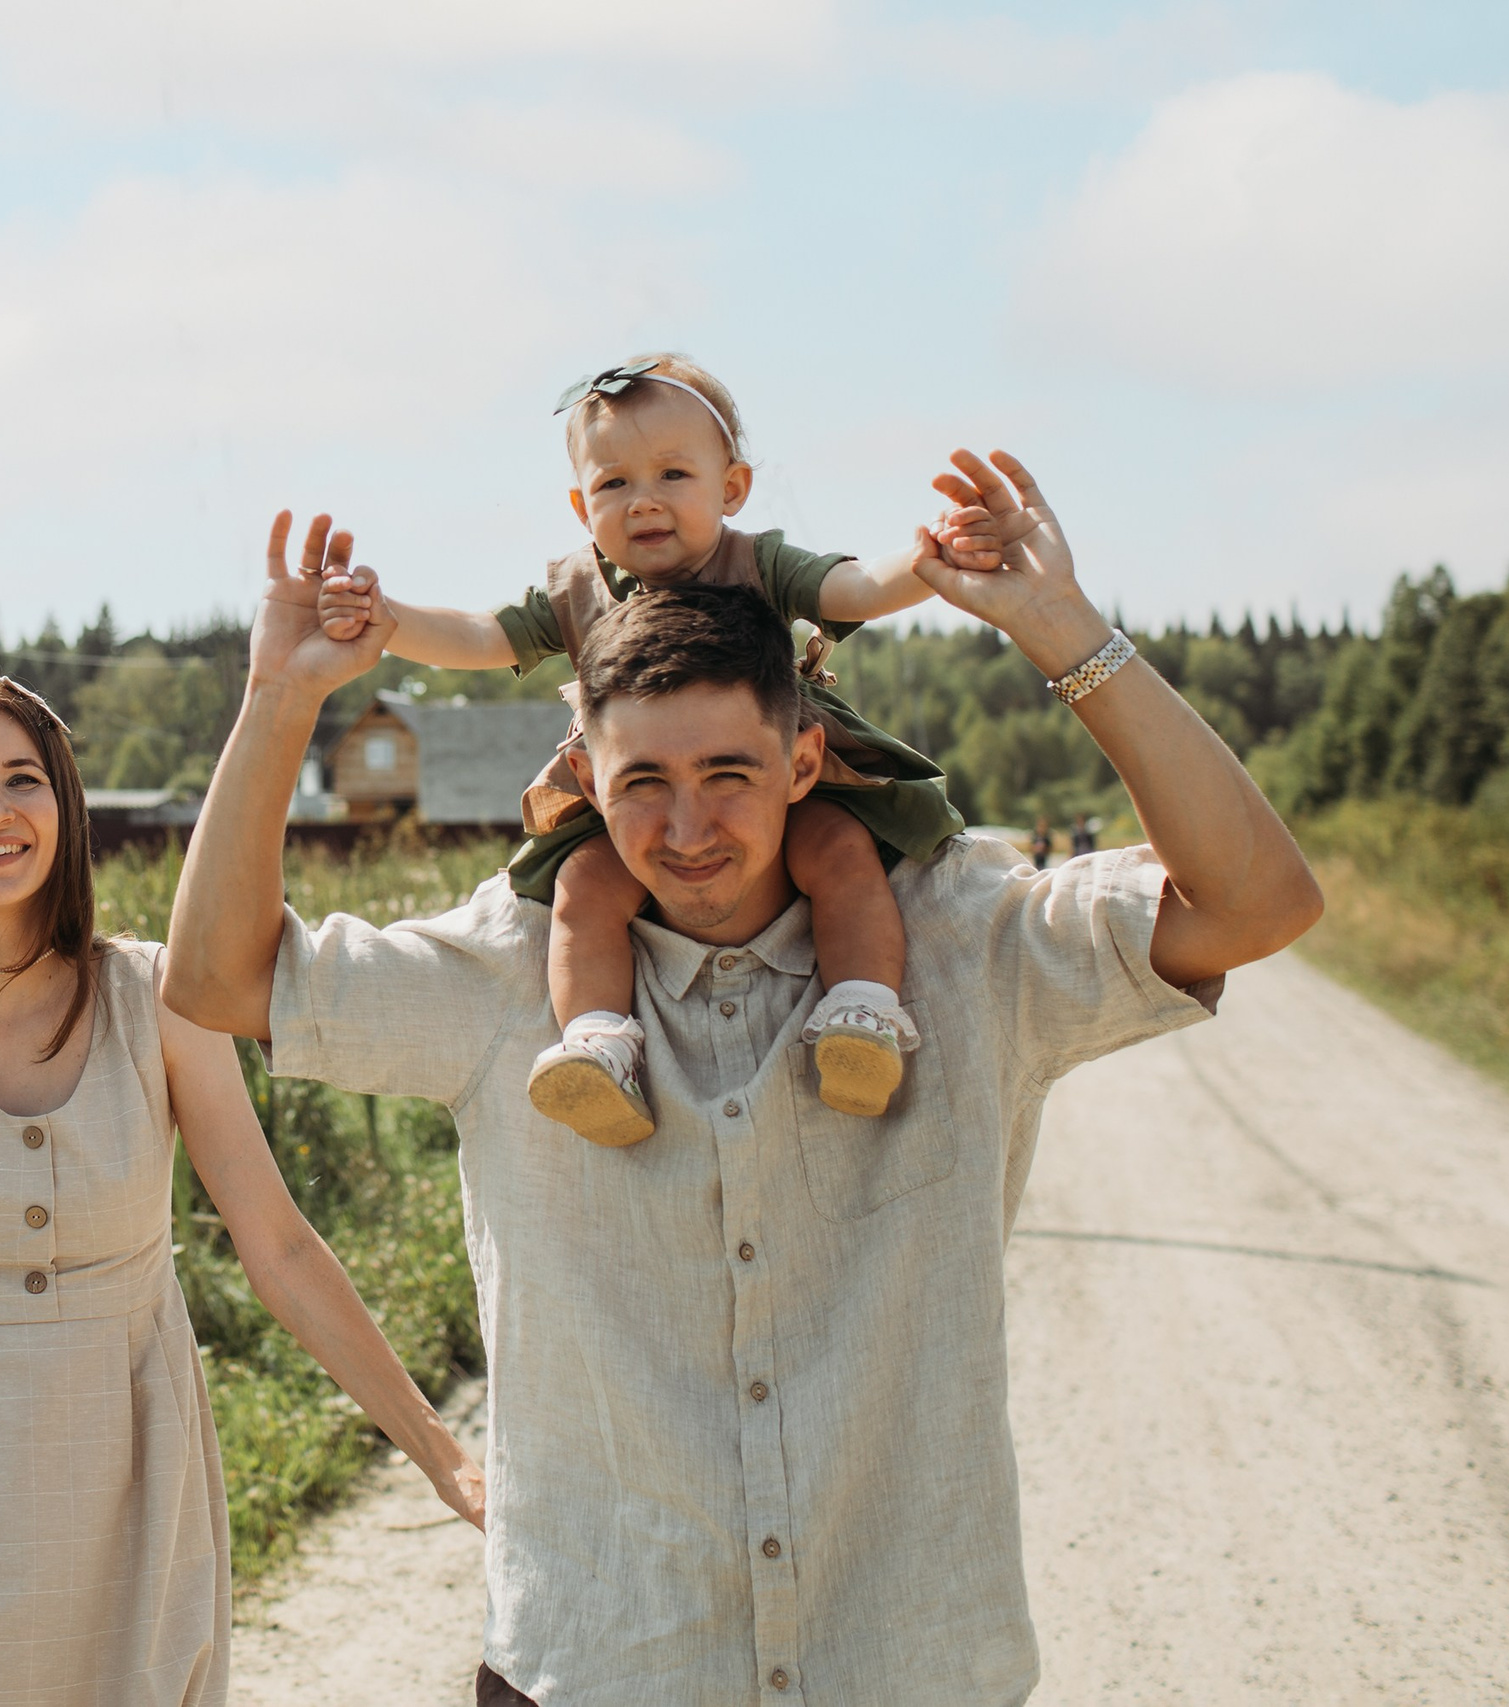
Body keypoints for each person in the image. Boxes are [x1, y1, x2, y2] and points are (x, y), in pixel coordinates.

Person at [164, 452, 1322, 1706]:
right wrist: (278, 699)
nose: (687, 830)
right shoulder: (509, 970)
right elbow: (220, 980)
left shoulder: (961, 942)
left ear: (805, 763)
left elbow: (1256, 903)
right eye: (641, 785)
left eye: (728, 774)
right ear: (584, 782)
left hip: (905, 1659)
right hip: (601, 1663)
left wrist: (1064, 633)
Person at [0, 672, 484, 1707]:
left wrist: (442, 1455)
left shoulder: (160, 996)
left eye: (21, 779)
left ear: (64, 808)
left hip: (130, 1479)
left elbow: (277, 1244)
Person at [314, 356, 993, 1140]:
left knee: (841, 850)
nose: (643, 500)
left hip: (768, 776)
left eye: (673, 474)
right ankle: (598, 1041)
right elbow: (482, 635)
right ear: (581, 504)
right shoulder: (578, 587)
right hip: (634, 789)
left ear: (731, 488)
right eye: (613, 483)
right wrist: (390, 620)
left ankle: (861, 1012)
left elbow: (857, 589)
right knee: (584, 886)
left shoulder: (757, 562)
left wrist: (931, 559)